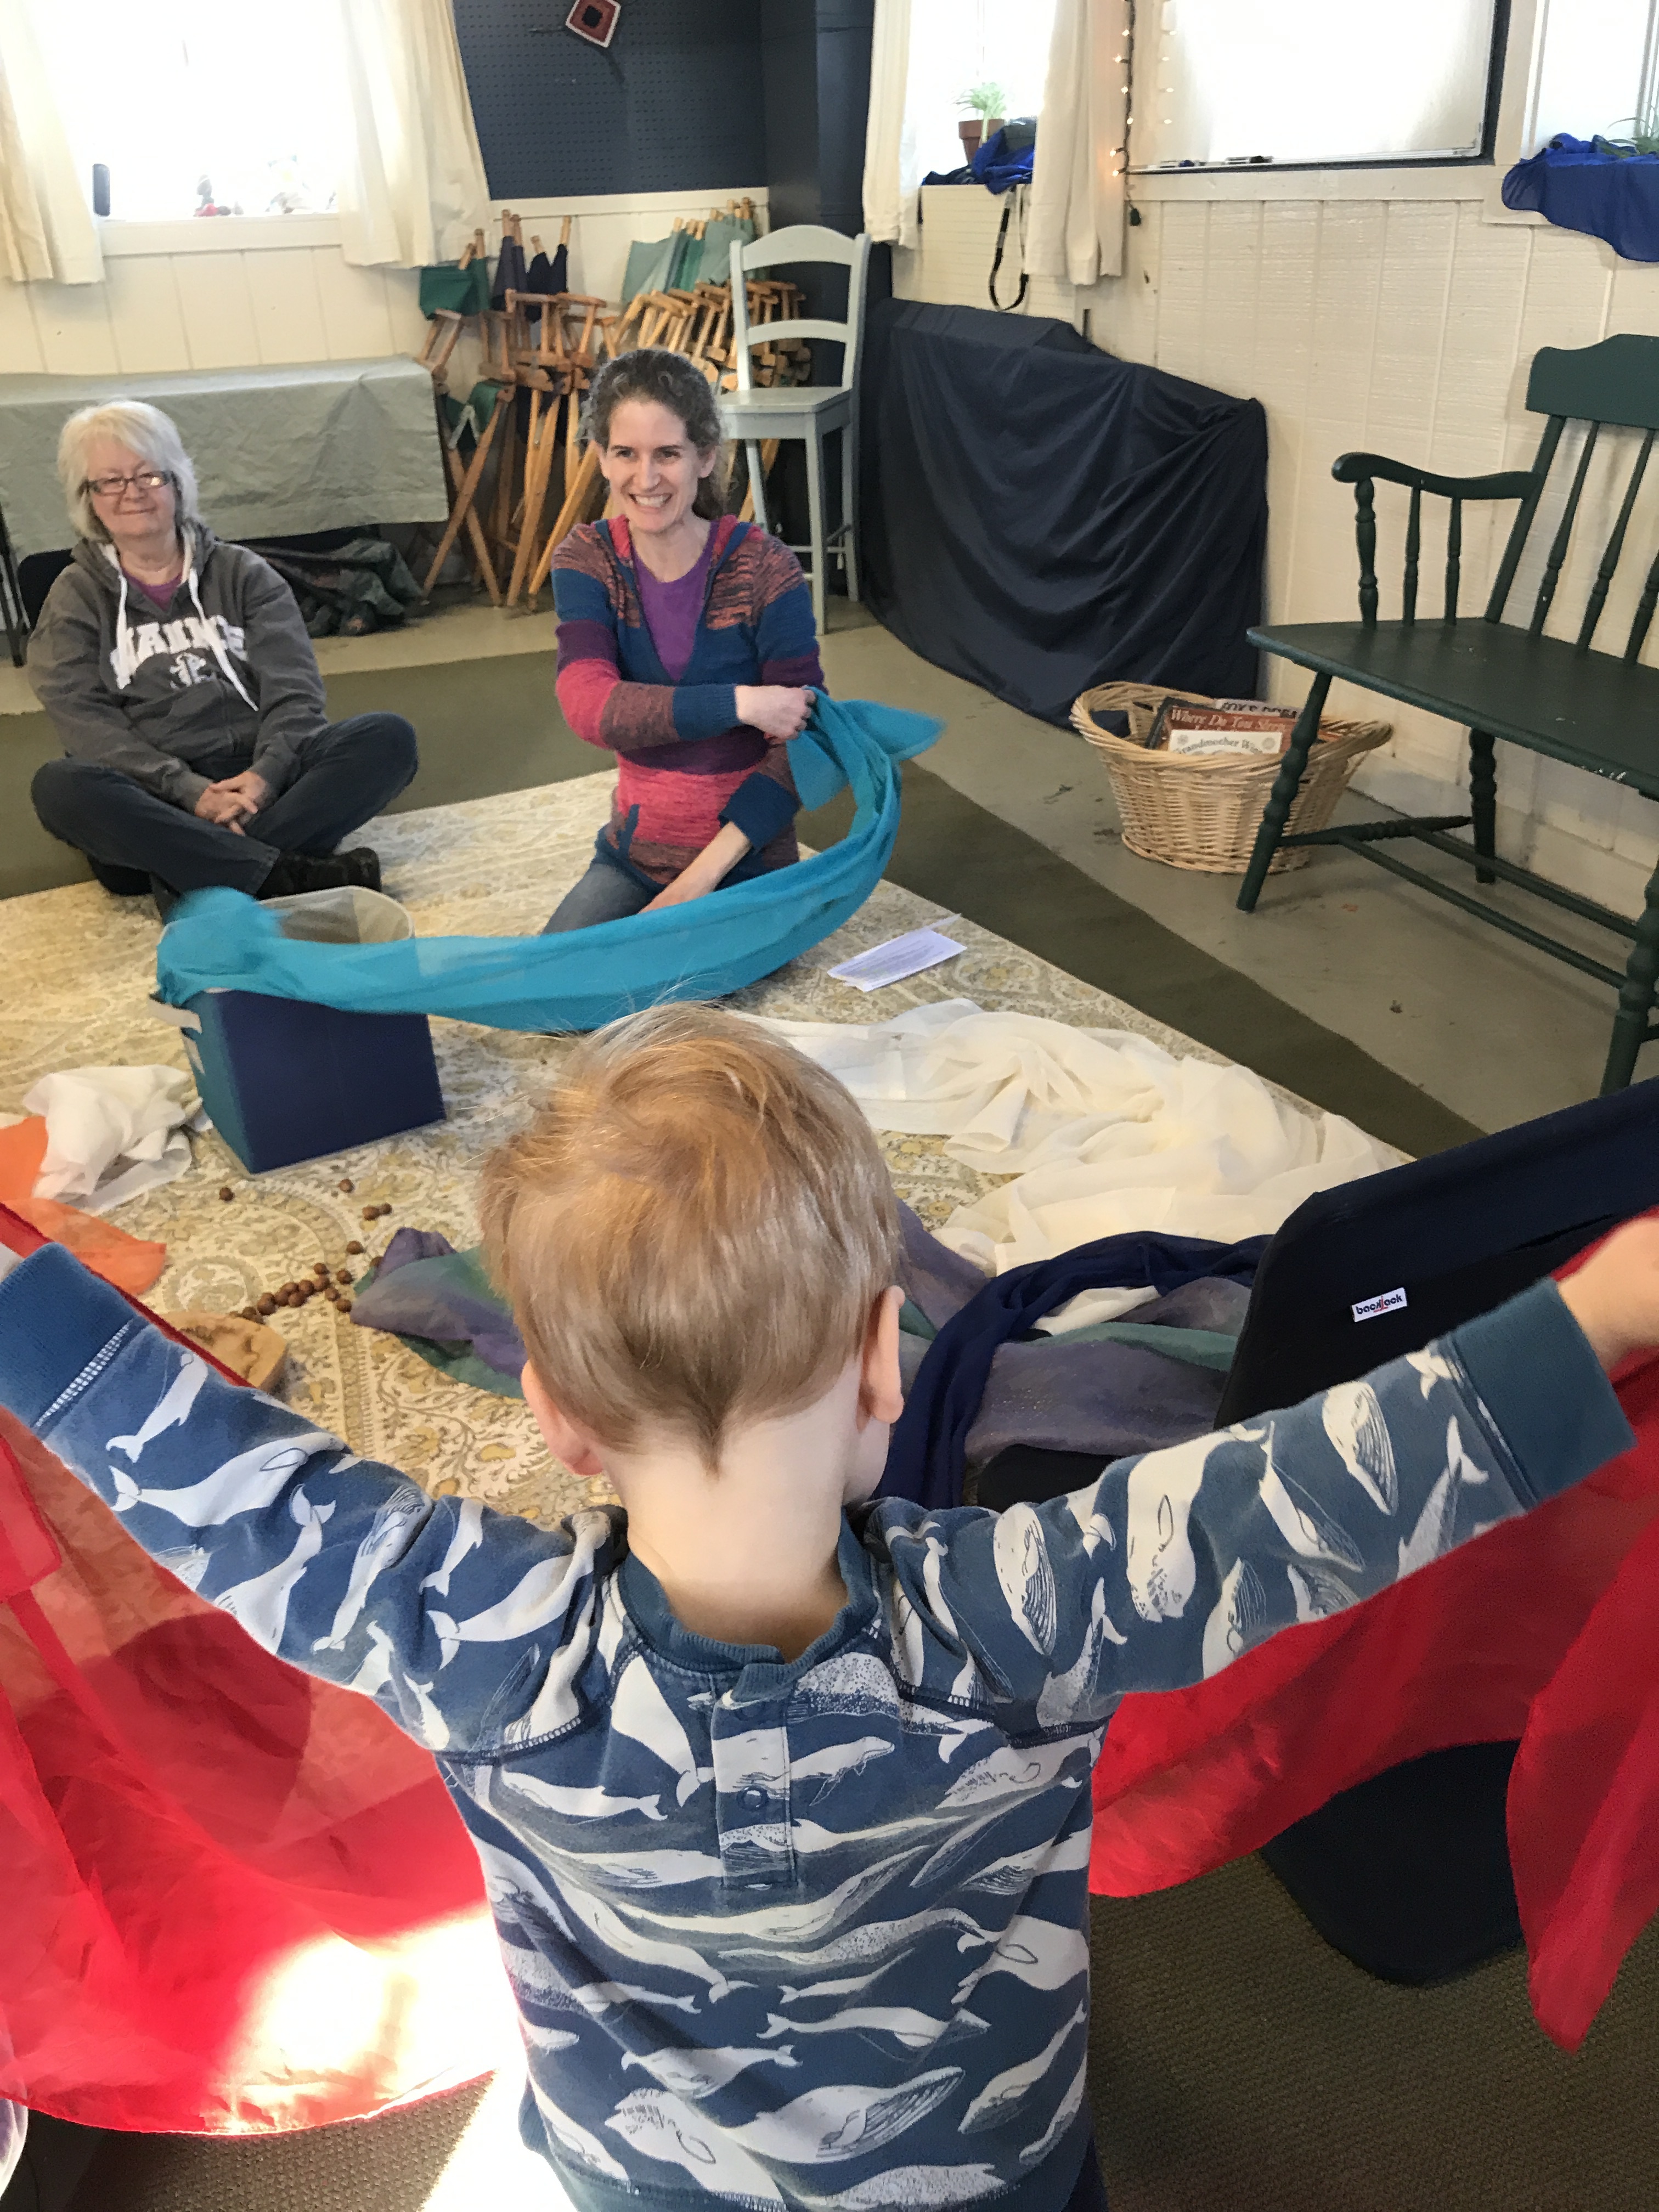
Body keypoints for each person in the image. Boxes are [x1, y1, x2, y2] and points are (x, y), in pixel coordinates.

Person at [0, 1002, 1646, 2212]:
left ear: (556, 1414)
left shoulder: (468, 1633)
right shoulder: (1033, 1606)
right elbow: (1350, 1477)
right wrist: (1621, 1292)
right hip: (984, 2173)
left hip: (646, 2185)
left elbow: (218, 1472)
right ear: (882, 1361)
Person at [27, 400, 418, 912]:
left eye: (149, 476)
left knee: (386, 738)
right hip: (154, 795)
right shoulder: (75, 595)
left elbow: (295, 694)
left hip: (263, 780)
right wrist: (187, 791)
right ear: (90, 499)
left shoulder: (244, 574)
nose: (132, 493)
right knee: (62, 787)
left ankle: (198, 871)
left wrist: (264, 778)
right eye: (111, 482)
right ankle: (282, 872)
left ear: (177, 483)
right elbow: (83, 721)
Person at [544, 347, 823, 932]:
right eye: (626, 453)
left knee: (683, 1009)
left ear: (705, 457)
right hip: (633, 861)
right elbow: (589, 707)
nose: (645, 480)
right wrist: (739, 703)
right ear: (600, 458)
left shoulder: (765, 568)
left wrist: (698, 881)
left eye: (667, 454)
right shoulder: (586, 559)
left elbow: (805, 745)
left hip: (746, 866)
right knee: (552, 996)